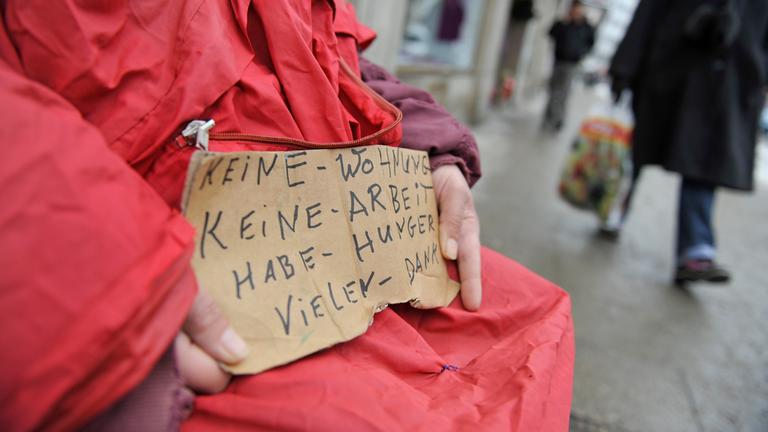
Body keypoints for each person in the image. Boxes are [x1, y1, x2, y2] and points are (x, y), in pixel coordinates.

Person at [0, 1, 574, 430]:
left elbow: (335, 56)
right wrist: (119, 312)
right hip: (155, 301)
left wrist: (430, 150)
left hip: (340, 255)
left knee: (535, 316)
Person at [610, 0, 768, 284]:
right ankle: (612, 207)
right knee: (637, 150)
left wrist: (756, 75)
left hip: (729, 86)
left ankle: (695, 249)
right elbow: (648, 13)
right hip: (668, 75)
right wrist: (624, 65)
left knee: (703, 167)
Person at [543, 0, 596, 132]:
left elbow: (591, 44)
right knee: (553, 89)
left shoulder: (587, 27)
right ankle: (548, 117)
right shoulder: (564, 24)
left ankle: (558, 120)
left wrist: (581, 53)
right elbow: (551, 33)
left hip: (572, 63)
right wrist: (562, 23)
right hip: (558, 60)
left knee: (563, 92)